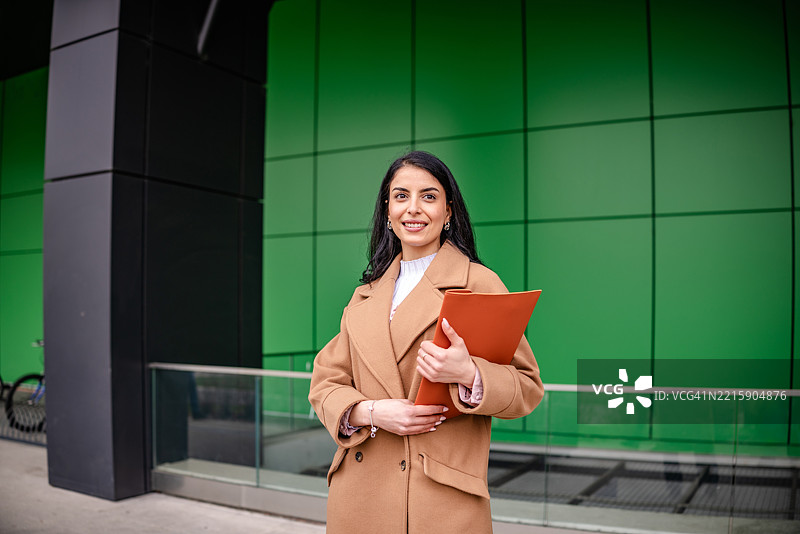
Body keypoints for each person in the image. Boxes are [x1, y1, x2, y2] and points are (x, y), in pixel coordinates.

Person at [308, 151, 543, 533]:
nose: (413, 209)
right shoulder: (365, 294)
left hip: (438, 501)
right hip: (360, 496)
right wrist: (371, 412)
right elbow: (325, 382)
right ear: (387, 210)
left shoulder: (478, 284)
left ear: (449, 211)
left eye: (429, 196)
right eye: (401, 196)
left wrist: (470, 373)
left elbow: (527, 388)